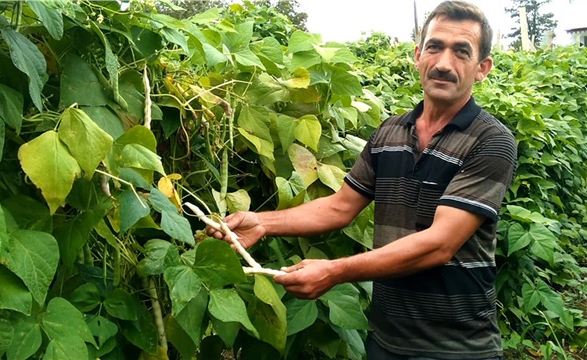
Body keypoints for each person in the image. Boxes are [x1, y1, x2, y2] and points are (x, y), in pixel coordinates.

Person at [209, 1, 517, 359]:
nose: (444, 63)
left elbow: (439, 243)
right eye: (434, 47)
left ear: (483, 68)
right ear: (418, 55)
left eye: (461, 52)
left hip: (458, 346)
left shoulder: (491, 141)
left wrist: (334, 271)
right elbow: (340, 208)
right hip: (385, 338)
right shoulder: (390, 132)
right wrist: (261, 222)